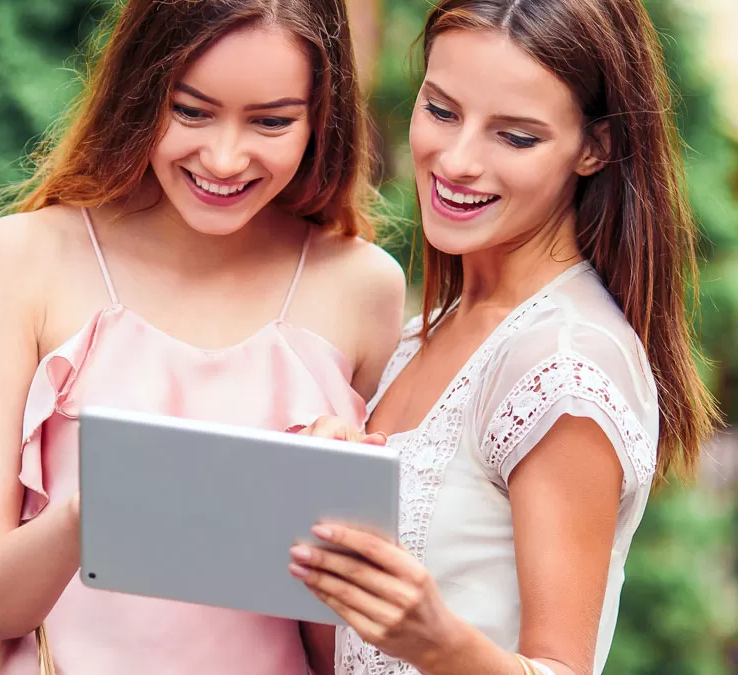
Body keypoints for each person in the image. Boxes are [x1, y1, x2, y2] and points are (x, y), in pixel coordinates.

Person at [0, 1, 406, 673]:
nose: (224, 157)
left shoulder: (363, 287)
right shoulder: (21, 260)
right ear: (140, 90)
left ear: (320, 117)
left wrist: (328, 525)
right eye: (191, 110)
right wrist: (87, 515)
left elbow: (344, 651)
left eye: (272, 120)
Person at [287, 1, 719, 674]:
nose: (457, 161)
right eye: (441, 110)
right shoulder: (430, 332)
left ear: (595, 146)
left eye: (515, 137)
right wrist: (317, 495)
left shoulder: (563, 365)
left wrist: (437, 640)